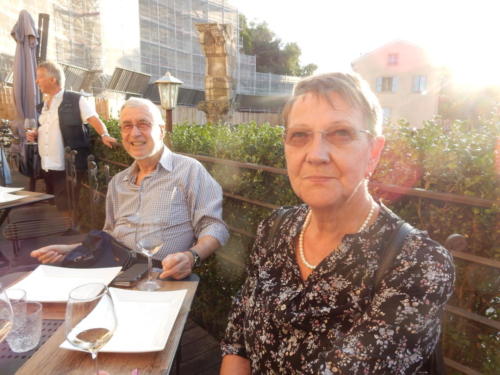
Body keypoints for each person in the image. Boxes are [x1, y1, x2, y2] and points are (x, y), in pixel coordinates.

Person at [220, 72, 455, 374]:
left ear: (374, 152)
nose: (316, 155)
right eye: (300, 135)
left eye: (341, 133)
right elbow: (238, 338)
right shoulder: (275, 229)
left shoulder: (418, 263)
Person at [31, 97, 229, 280]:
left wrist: (191, 256)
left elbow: (215, 226)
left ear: (161, 130)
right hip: (112, 270)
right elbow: (109, 237)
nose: (134, 133)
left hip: (161, 275)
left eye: (143, 124)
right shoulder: (118, 182)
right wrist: (69, 249)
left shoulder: (188, 170)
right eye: (127, 126)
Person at [26, 61, 117, 212]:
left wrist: (105, 134)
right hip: (47, 166)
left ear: (52, 79)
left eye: (40, 77)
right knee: (53, 205)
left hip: (68, 165)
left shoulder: (76, 100)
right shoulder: (43, 106)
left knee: (66, 207)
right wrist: (36, 134)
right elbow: (49, 128)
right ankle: (61, 230)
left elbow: (94, 119)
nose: (37, 81)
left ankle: (69, 231)